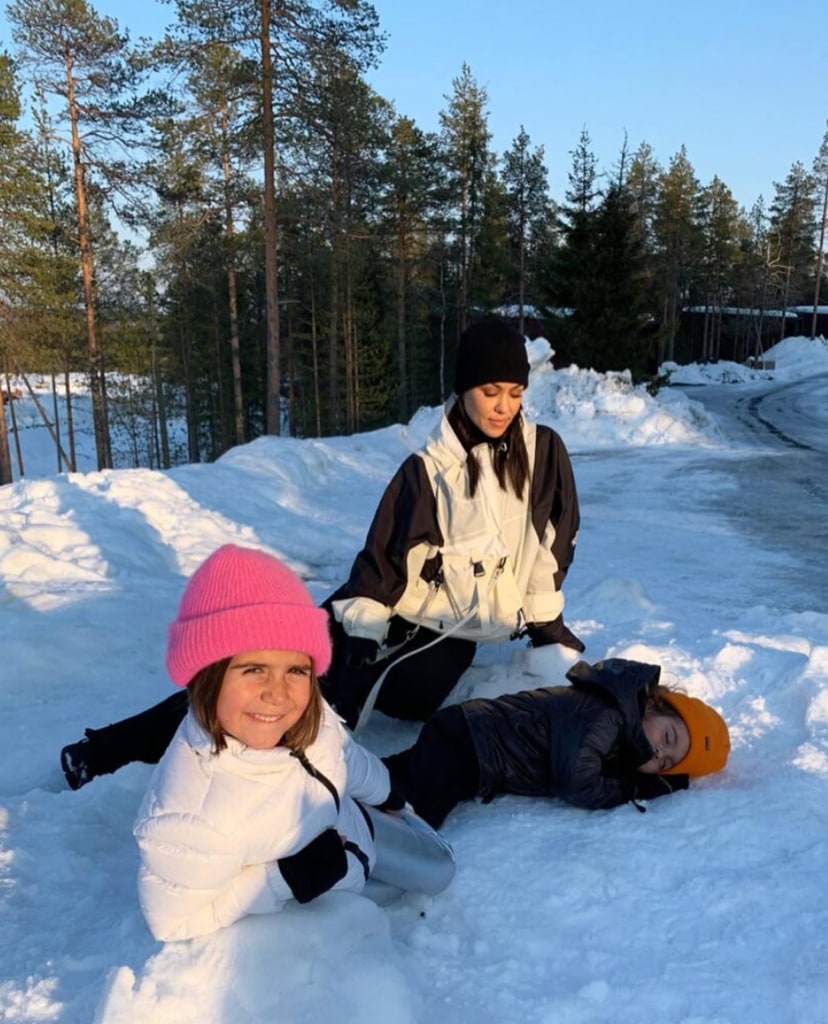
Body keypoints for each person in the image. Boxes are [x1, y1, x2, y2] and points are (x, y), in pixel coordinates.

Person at [60, 315, 581, 788]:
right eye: (490, 391)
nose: (503, 407)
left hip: (442, 644)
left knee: (301, 695)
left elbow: (548, 552)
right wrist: (359, 639)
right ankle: (105, 752)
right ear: (464, 388)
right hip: (389, 622)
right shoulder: (429, 470)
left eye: (514, 393)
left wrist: (547, 629)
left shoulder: (543, 453)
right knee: (265, 672)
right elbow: (383, 564)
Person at [132, 544, 455, 942]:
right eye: (253, 670)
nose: (278, 694)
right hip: (314, 884)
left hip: (352, 826)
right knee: (377, 904)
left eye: (296, 670)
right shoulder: (192, 820)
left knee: (440, 871)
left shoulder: (305, 712)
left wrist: (386, 790)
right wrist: (285, 878)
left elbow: (342, 752)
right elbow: (173, 923)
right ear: (207, 676)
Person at [382, 657, 731, 828]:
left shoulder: (621, 728)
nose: (658, 752)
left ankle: (343, 776)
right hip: (468, 744)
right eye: (667, 737)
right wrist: (640, 786)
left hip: (467, 740)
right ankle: (351, 836)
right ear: (656, 704)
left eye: (666, 763)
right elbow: (576, 782)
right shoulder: (604, 714)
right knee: (415, 814)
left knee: (391, 777)